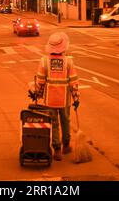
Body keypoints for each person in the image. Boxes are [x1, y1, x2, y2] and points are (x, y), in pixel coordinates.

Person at [33, 32, 80, 161]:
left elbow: (40, 82)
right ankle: (66, 146)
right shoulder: (68, 62)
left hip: (50, 100)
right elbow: (73, 82)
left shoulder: (44, 61)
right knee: (66, 121)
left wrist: (37, 93)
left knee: (53, 124)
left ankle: (57, 149)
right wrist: (76, 98)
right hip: (64, 99)